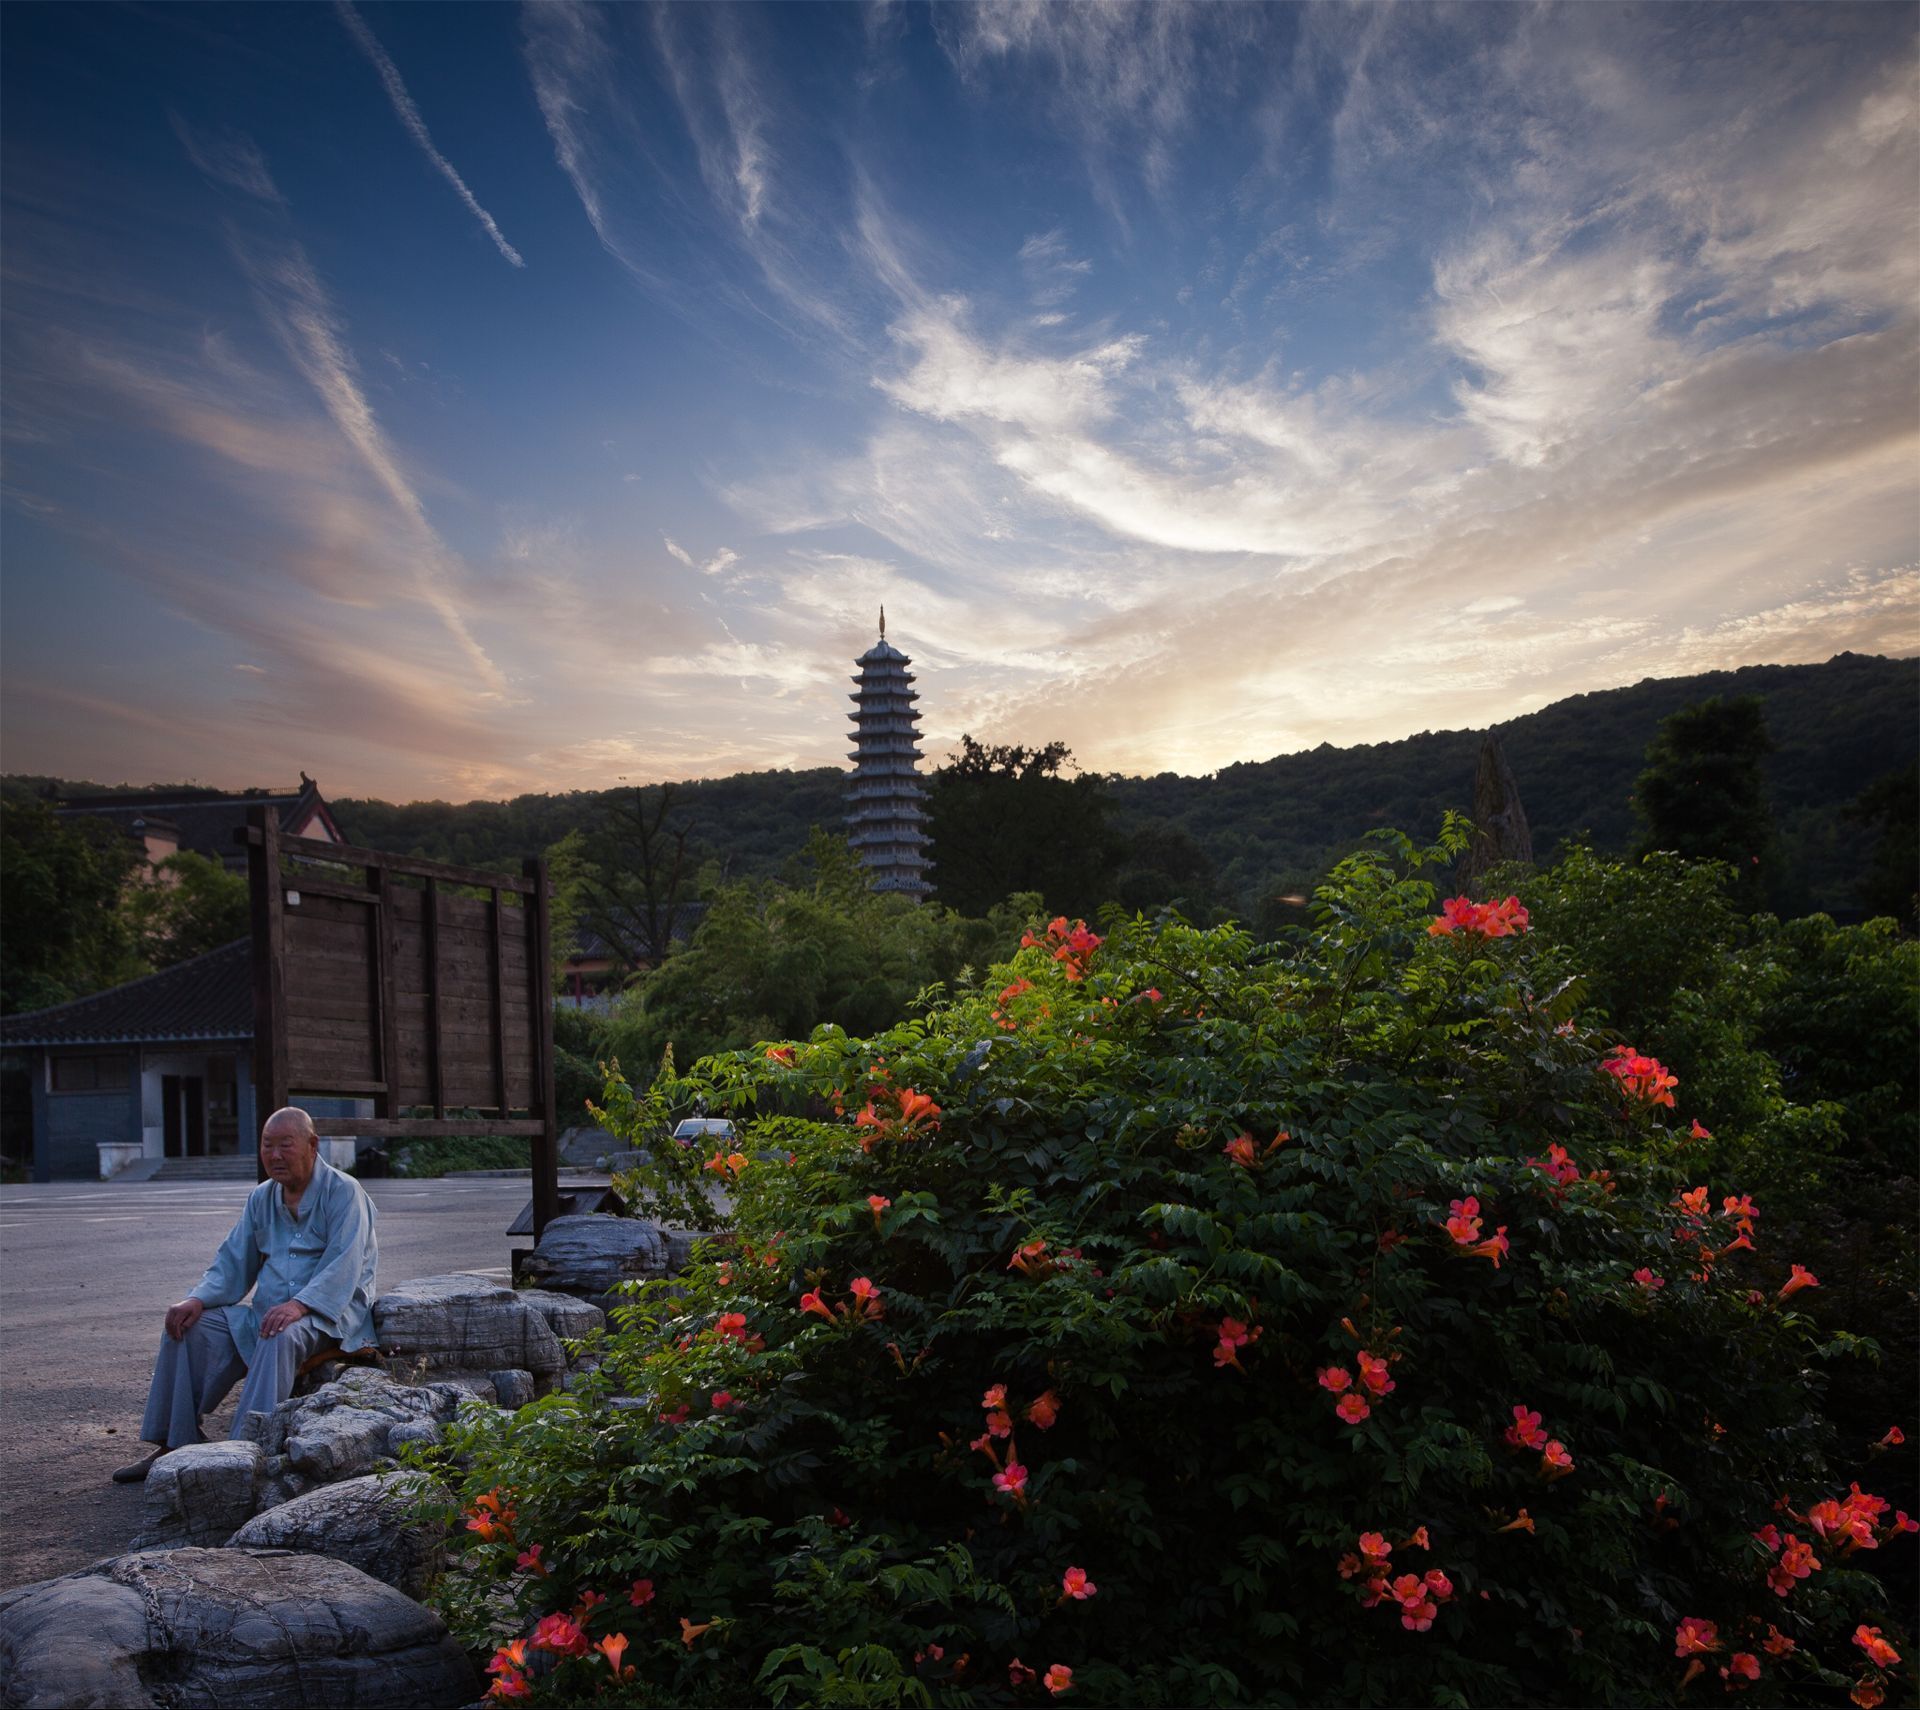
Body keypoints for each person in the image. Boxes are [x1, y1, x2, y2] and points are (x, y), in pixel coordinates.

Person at [111, 1106, 379, 1483]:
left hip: (328, 1316)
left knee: (277, 1334)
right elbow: (233, 1261)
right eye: (267, 1146)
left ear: (312, 1145)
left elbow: (346, 1265)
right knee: (188, 1325)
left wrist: (301, 1304)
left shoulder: (345, 1193)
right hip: (270, 1311)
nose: (275, 1155)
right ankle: (175, 1442)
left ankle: (243, 1453)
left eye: (286, 1145)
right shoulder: (262, 1198)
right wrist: (197, 1299)